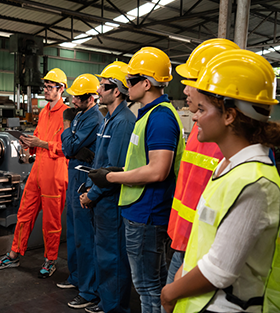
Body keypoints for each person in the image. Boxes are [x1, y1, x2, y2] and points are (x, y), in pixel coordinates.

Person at [161, 49, 280, 312]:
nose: (194, 116)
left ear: (229, 115)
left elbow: (220, 271)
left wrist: (170, 293)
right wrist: (182, 271)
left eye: (202, 109)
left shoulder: (255, 183)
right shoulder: (227, 165)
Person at [89, 47, 185, 312]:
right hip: (141, 210)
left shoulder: (161, 117)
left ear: (147, 83)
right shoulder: (148, 115)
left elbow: (158, 170)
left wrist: (111, 176)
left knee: (147, 288)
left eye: (131, 80)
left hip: (147, 213)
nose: (127, 84)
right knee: (152, 282)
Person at [166, 39, 239, 286]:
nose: (185, 90)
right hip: (183, 242)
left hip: (204, 255)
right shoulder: (202, 130)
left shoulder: (232, 143)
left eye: (193, 82)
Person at [0, 68, 69, 278]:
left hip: (55, 172)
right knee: (24, 214)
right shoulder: (44, 112)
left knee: (51, 221)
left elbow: (69, 147)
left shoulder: (68, 114)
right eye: (45, 86)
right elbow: (37, 139)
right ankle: (14, 255)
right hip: (37, 171)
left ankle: (51, 260)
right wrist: (27, 143)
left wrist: (41, 143)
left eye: (50, 87)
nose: (45, 90)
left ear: (61, 89)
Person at [80, 61, 136, 313]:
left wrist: (92, 195)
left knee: (112, 257)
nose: (99, 90)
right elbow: (99, 161)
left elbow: (113, 168)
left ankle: (114, 307)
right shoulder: (108, 119)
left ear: (117, 91)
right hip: (100, 198)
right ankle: (106, 301)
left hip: (109, 200)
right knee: (103, 255)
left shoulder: (123, 122)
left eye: (103, 86)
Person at [59, 74, 104, 309]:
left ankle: (89, 290)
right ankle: (77, 278)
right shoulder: (80, 115)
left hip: (83, 177)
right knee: (75, 234)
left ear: (91, 97)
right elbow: (69, 147)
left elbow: (70, 147)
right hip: (73, 173)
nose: (73, 100)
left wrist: (67, 128)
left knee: (85, 238)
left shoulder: (93, 118)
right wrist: (71, 138)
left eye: (77, 97)